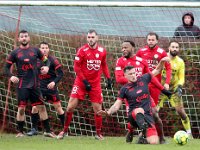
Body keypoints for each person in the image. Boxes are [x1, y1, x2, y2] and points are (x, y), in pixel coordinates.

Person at [57, 29, 112, 140]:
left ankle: (98, 133)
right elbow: (76, 67)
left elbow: (104, 64)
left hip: (95, 84)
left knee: (98, 110)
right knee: (70, 107)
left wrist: (109, 78)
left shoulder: (102, 51)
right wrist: (84, 81)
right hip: (81, 83)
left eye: (92, 37)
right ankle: (64, 131)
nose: (90, 39)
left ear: (97, 38)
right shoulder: (82, 50)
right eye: (89, 37)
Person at [115, 40, 171, 143]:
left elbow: (151, 77)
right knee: (134, 118)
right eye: (122, 48)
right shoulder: (120, 61)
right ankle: (131, 131)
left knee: (155, 114)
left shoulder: (141, 61)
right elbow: (118, 79)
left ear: (132, 48)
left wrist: (162, 89)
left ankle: (161, 138)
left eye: (126, 47)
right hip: (130, 95)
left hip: (144, 94)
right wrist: (135, 80)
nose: (123, 50)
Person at [4, 30, 54, 137]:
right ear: (19, 39)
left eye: (26, 36)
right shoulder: (14, 53)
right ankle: (20, 132)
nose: (24, 38)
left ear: (29, 38)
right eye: (22, 36)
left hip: (35, 85)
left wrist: (47, 67)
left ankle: (48, 131)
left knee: (42, 107)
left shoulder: (35, 50)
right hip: (22, 85)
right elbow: (6, 68)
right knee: (21, 109)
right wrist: (11, 76)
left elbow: (47, 61)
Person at [99, 66, 161, 144]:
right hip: (133, 116)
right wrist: (108, 112)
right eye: (130, 74)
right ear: (125, 76)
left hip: (147, 116)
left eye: (134, 73)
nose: (133, 75)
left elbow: (157, 70)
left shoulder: (144, 79)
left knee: (154, 142)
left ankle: (139, 135)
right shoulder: (124, 89)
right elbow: (116, 105)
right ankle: (136, 128)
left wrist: (162, 61)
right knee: (139, 110)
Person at [136, 32, 172, 143]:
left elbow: (168, 68)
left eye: (153, 40)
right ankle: (146, 135)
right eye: (149, 39)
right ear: (146, 40)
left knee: (153, 110)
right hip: (142, 85)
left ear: (157, 41)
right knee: (142, 109)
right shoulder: (141, 52)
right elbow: (135, 66)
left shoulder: (161, 53)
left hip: (155, 85)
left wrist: (167, 82)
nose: (150, 41)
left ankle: (150, 135)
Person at [27, 42, 65, 136]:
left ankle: (65, 130)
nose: (44, 49)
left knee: (58, 107)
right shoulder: (35, 60)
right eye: (42, 48)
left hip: (50, 88)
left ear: (49, 49)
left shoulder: (53, 60)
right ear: (39, 49)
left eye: (46, 48)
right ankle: (34, 129)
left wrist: (54, 82)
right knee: (35, 107)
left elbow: (61, 73)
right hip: (39, 88)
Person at [158, 40, 193, 139]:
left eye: (177, 47)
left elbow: (181, 77)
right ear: (169, 48)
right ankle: (147, 133)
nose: (175, 49)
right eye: (173, 47)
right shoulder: (163, 58)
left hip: (173, 90)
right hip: (160, 89)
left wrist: (179, 86)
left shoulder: (180, 61)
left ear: (179, 49)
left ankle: (189, 134)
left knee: (181, 111)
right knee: (153, 111)